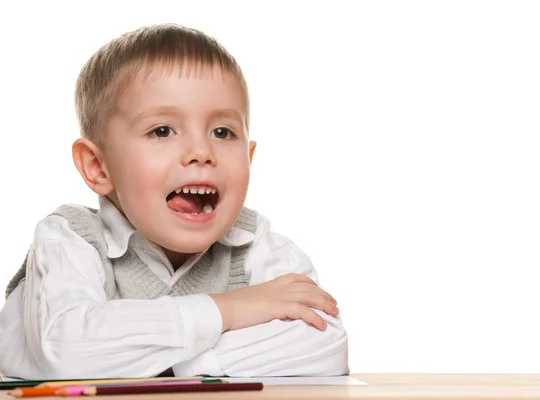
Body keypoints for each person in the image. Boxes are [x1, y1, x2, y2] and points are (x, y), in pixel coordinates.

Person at [0, 23, 349, 380]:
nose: (201, 151)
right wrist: (228, 310)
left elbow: (324, 346)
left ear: (249, 156)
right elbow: (65, 352)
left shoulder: (257, 245)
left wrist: (170, 365)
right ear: (98, 167)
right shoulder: (70, 239)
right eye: (162, 130)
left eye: (222, 132)